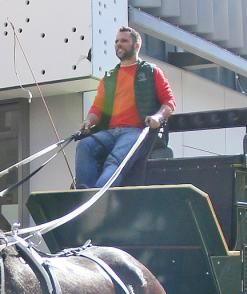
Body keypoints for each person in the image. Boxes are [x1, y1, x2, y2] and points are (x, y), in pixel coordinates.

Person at [75, 26, 176, 189]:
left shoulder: (151, 71)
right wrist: (88, 121)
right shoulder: (109, 78)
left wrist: (157, 117)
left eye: (124, 41)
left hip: (136, 132)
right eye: (116, 41)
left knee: (114, 160)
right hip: (109, 132)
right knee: (84, 145)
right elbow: (97, 109)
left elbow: (169, 102)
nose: (118, 44)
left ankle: (98, 194)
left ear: (136, 46)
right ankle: (83, 194)